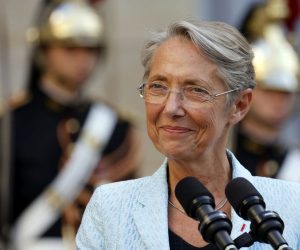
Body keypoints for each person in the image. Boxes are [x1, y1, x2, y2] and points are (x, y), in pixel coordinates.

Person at [76, 20, 300, 249]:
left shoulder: (293, 206)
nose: (171, 108)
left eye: (196, 90)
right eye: (158, 86)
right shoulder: (110, 208)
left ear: (239, 105)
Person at [7, 0, 140, 249]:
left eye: (90, 50)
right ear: (44, 50)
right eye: (70, 48)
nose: (82, 60)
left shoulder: (115, 125)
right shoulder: (12, 122)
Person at [231, 0, 300, 180]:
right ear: (244, 93)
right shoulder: (221, 157)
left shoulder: (295, 163)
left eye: (286, 92)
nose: (279, 101)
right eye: (269, 90)